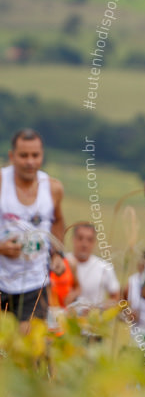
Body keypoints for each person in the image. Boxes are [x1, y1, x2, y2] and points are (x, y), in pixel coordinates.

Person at [0, 129, 66, 332]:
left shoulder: (53, 188)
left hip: (34, 282)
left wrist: (57, 253)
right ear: (12, 156)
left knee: (27, 350)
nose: (30, 162)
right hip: (2, 279)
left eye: (35, 155)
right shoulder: (2, 182)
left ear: (42, 156)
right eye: (23, 155)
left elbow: (58, 221)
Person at [65, 222, 119, 311]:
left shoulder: (104, 267)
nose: (84, 244)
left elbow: (116, 297)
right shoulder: (62, 264)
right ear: (73, 239)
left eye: (89, 239)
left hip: (93, 322)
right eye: (80, 238)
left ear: (94, 242)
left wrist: (98, 309)